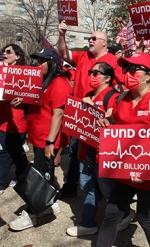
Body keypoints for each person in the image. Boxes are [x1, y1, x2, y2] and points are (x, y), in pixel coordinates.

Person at [96, 52, 150, 247]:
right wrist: (107, 121)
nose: (127, 74)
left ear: (149, 75)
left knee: (145, 218)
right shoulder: (122, 97)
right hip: (125, 169)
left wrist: (148, 170)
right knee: (111, 214)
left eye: (133, 70)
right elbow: (117, 122)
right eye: (126, 69)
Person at [57, 21, 124, 198]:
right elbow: (63, 53)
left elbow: (118, 89)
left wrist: (109, 112)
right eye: (89, 38)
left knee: (96, 155)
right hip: (78, 113)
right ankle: (71, 186)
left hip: (98, 115)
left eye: (94, 38)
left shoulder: (114, 61)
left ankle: (100, 190)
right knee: (75, 151)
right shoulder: (83, 56)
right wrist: (62, 35)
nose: (90, 40)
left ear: (104, 42)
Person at [8, 48, 72, 231]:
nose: (37, 64)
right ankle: (48, 204)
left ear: (52, 63)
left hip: (47, 138)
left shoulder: (59, 83)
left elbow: (58, 115)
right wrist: (21, 102)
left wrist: (51, 143)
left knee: (36, 177)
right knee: (44, 174)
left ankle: (32, 214)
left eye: (42, 61)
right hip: (36, 136)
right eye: (36, 60)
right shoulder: (39, 81)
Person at [67, 62, 126, 237]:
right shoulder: (88, 95)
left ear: (107, 78)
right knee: (86, 186)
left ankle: (125, 212)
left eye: (96, 73)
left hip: (104, 155)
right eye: (90, 72)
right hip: (87, 152)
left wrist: (92, 106)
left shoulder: (113, 97)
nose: (92, 76)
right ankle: (87, 223)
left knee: (108, 190)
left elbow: (112, 123)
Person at [0, 44, 28, 195]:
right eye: (3, 51)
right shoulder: (0, 70)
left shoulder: (26, 73)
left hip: (18, 120)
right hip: (3, 118)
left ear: (17, 56)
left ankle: (0, 183)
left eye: (8, 51)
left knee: (5, 152)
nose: (5, 53)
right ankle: (22, 175)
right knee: (16, 152)